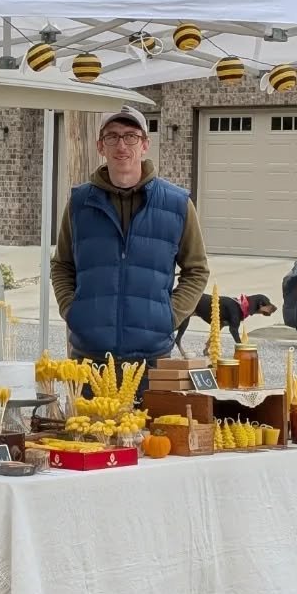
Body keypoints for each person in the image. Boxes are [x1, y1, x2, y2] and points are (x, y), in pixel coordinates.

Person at [51, 106, 210, 388]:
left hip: (151, 359)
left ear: (145, 144)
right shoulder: (79, 204)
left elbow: (196, 269)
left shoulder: (177, 204)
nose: (121, 145)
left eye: (130, 136)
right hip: (89, 360)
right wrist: (73, 310)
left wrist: (167, 316)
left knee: (153, 434)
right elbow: (62, 265)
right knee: (86, 432)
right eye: (112, 137)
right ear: (101, 146)